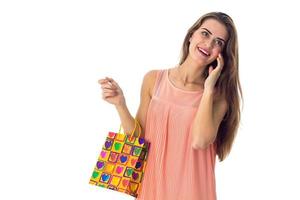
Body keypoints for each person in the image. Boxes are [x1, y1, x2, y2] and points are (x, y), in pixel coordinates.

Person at [98, 11, 243, 200]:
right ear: (192, 35)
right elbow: (138, 139)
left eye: (219, 42)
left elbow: (200, 140)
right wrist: (120, 104)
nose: (209, 44)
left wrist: (208, 89)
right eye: (205, 34)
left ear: (221, 54)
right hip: (152, 189)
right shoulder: (153, 79)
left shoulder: (218, 97)